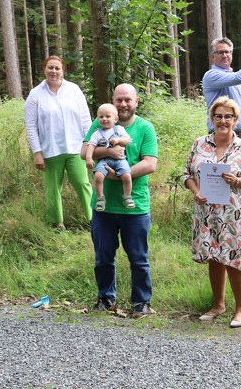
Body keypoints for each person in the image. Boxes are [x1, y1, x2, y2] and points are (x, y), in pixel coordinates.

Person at [183, 96, 241, 328]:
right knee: (214, 258)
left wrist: (237, 180)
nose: (223, 121)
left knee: (235, 260)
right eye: (218, 116)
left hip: (234, 215)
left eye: (228, 116)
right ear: (212, 118)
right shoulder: (199, 144)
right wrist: (195, 191)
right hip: (206, 213)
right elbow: (186, 174)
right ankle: (218, 305)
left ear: (236, 120)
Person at [81, 84, 158, 318]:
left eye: (128, 100)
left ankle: (141, 302)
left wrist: (120, 174)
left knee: (138, 257)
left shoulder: (145, 128)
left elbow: (150, 164)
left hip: (135, 206)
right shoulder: (101, 122)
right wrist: (108, 153)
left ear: (136, 102)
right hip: (103, 206)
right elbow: (84, 150)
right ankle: (105, 297)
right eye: (119, 100)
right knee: (103, 256)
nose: (123, 104)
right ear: (112, 102)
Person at [24, 55, 93, 230]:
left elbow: (86, 119)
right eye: (50, 68)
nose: (53, 71)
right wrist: (37, 153)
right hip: (50, 149)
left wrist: (89, 145)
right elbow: (31, 126)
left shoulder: (74, 90)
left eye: (57, 68)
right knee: (52, 188)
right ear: (44, 70)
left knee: (82, 183)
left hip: (76, 147)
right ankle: (57, 224)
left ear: (62, 71)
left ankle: (95, 220)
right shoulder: (35, 94)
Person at [84, 103, 134, 212]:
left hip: (120, 159)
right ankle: (100, 198)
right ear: (97, 119)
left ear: (116, 119)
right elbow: (91, 146)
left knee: (127, 175)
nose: (104, 119)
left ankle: (127, 196)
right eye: (101, 117)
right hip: (104, 160)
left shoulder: (119, 129)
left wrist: (118, 140)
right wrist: (89, 158)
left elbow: (127, 140)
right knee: (98, 176)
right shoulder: (97, 133)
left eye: (108, 116)